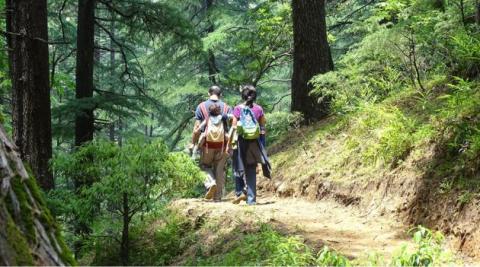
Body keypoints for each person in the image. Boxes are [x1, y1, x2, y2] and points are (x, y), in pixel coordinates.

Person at [191, 85, 234, 202]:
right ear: (220, 95)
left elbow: (196, 129)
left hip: (207, 146)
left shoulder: (201, 107)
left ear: (209, 93)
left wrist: (193, 143)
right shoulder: (226, 107)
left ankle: (210, 184)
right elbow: (233, 124)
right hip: (223, 145)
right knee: (220, 170)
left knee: (204, 166)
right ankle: (218, 198)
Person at [231, 85, 271, 205]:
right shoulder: (259, 109)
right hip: (254, 142)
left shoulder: (238, 108)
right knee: (251, 169)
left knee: (239, 167)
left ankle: (240, 192)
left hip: (241, 141)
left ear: (243, 95)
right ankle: (251, 200)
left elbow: (234, 126)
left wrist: (231, 143)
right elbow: (263, 126)